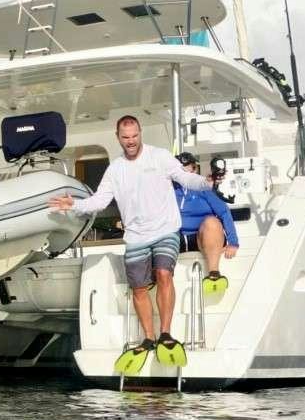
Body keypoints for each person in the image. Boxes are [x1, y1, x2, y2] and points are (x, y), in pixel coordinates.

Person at [49, 115, 211, 371]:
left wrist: (205, 182)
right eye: (126, 138)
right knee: (138, 288)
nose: (131, 141)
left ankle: (165, 334)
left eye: (134, 136)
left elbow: (185, 178)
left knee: (163, 273)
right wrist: (74, 205)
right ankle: (148, 337)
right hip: (135, 236)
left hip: (165, 229)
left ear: (140, 133)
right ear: (118, 138)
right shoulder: (115, 169)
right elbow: (99, 201)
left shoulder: (158, 156)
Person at [174, 152, 239, 294]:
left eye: (186, 167)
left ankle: (214, 274)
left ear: (194, 168)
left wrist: (233, 242)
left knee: (212, 222)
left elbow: (224, 213)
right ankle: (152, 276)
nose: (183, 170)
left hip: (204, 237)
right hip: (177, 237)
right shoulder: (169, 189)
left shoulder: (204, 187)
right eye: (178, 168)